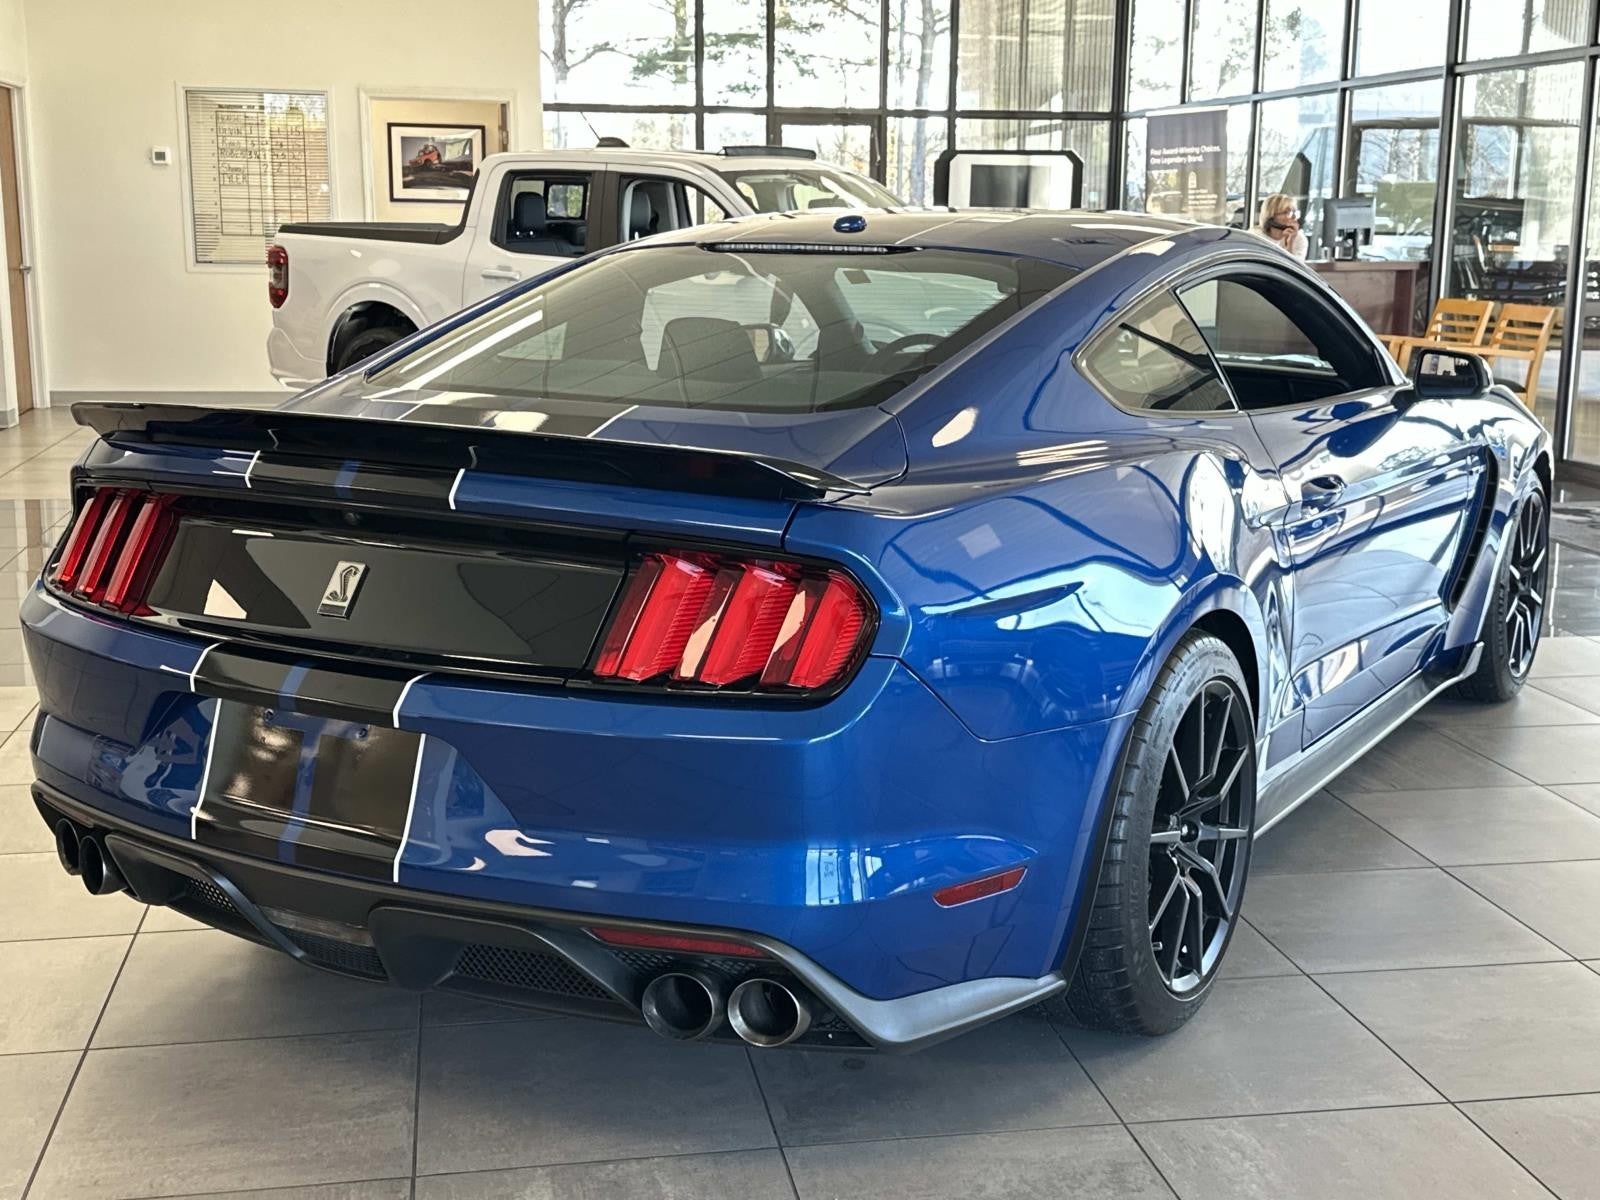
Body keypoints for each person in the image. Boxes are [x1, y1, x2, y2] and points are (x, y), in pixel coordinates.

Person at [1255, 193, 1308, 259]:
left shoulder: (1299, 239)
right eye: (1286, 212)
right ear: (1271, 216)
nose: (1294, 217)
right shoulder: (1255, 237)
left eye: (1294, 212)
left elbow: (1293, 265)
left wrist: (1289, 245)